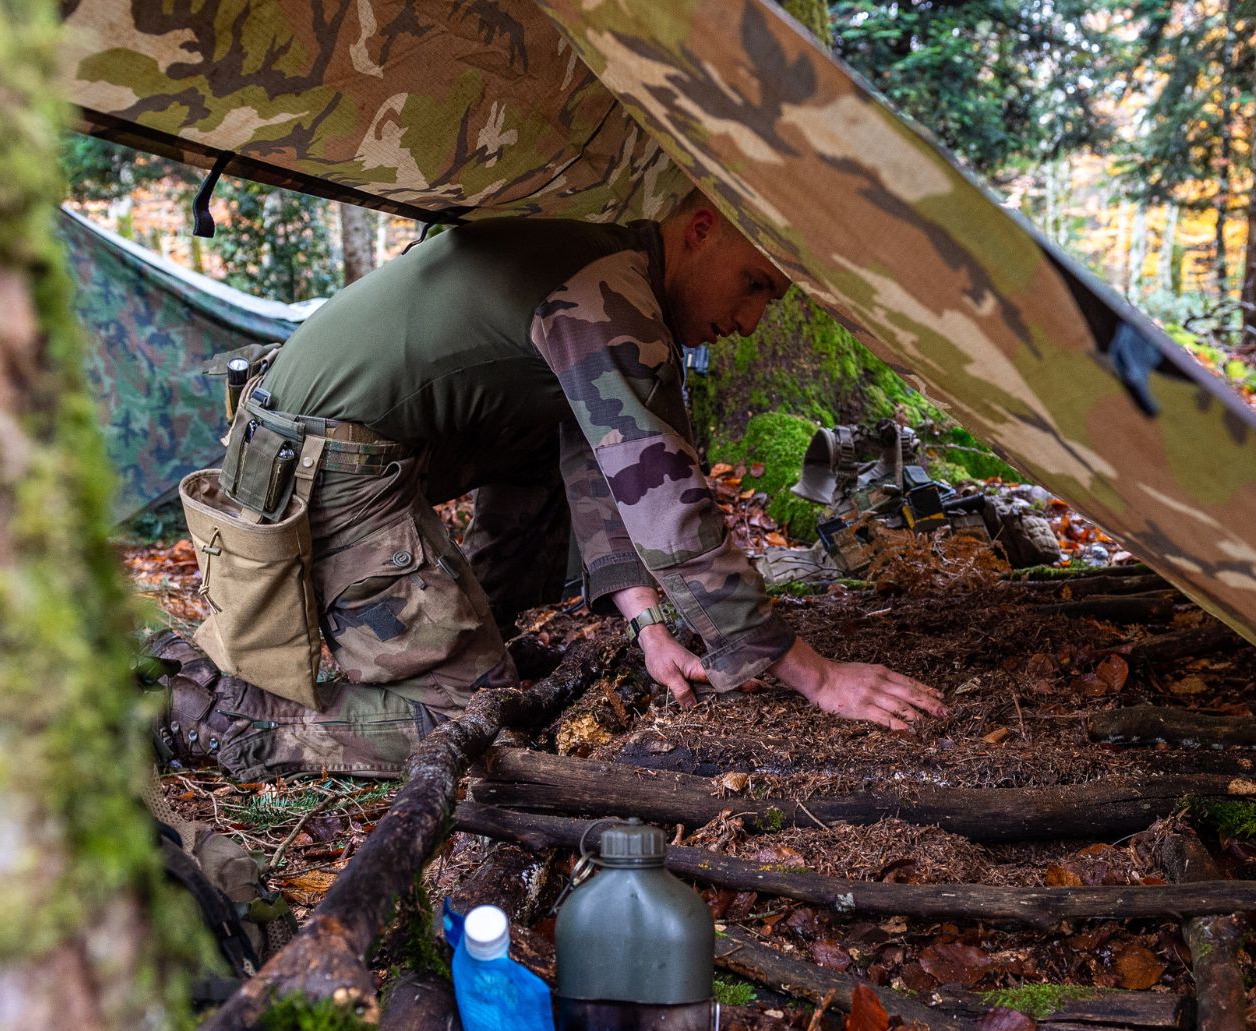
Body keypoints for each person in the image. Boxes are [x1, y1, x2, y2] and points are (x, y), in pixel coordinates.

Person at [154, 191, 945, 779]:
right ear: (700, 230)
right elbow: (674, 513)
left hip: (335, 449)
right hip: (328, 470)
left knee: (555, 458)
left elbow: (598, 461)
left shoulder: (603, 271)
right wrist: (812, 673)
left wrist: (648, 627)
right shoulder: (610, 295)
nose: (750, 322)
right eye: (754, 284)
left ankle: (469, 630)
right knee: (465, 719)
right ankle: (224, 717)